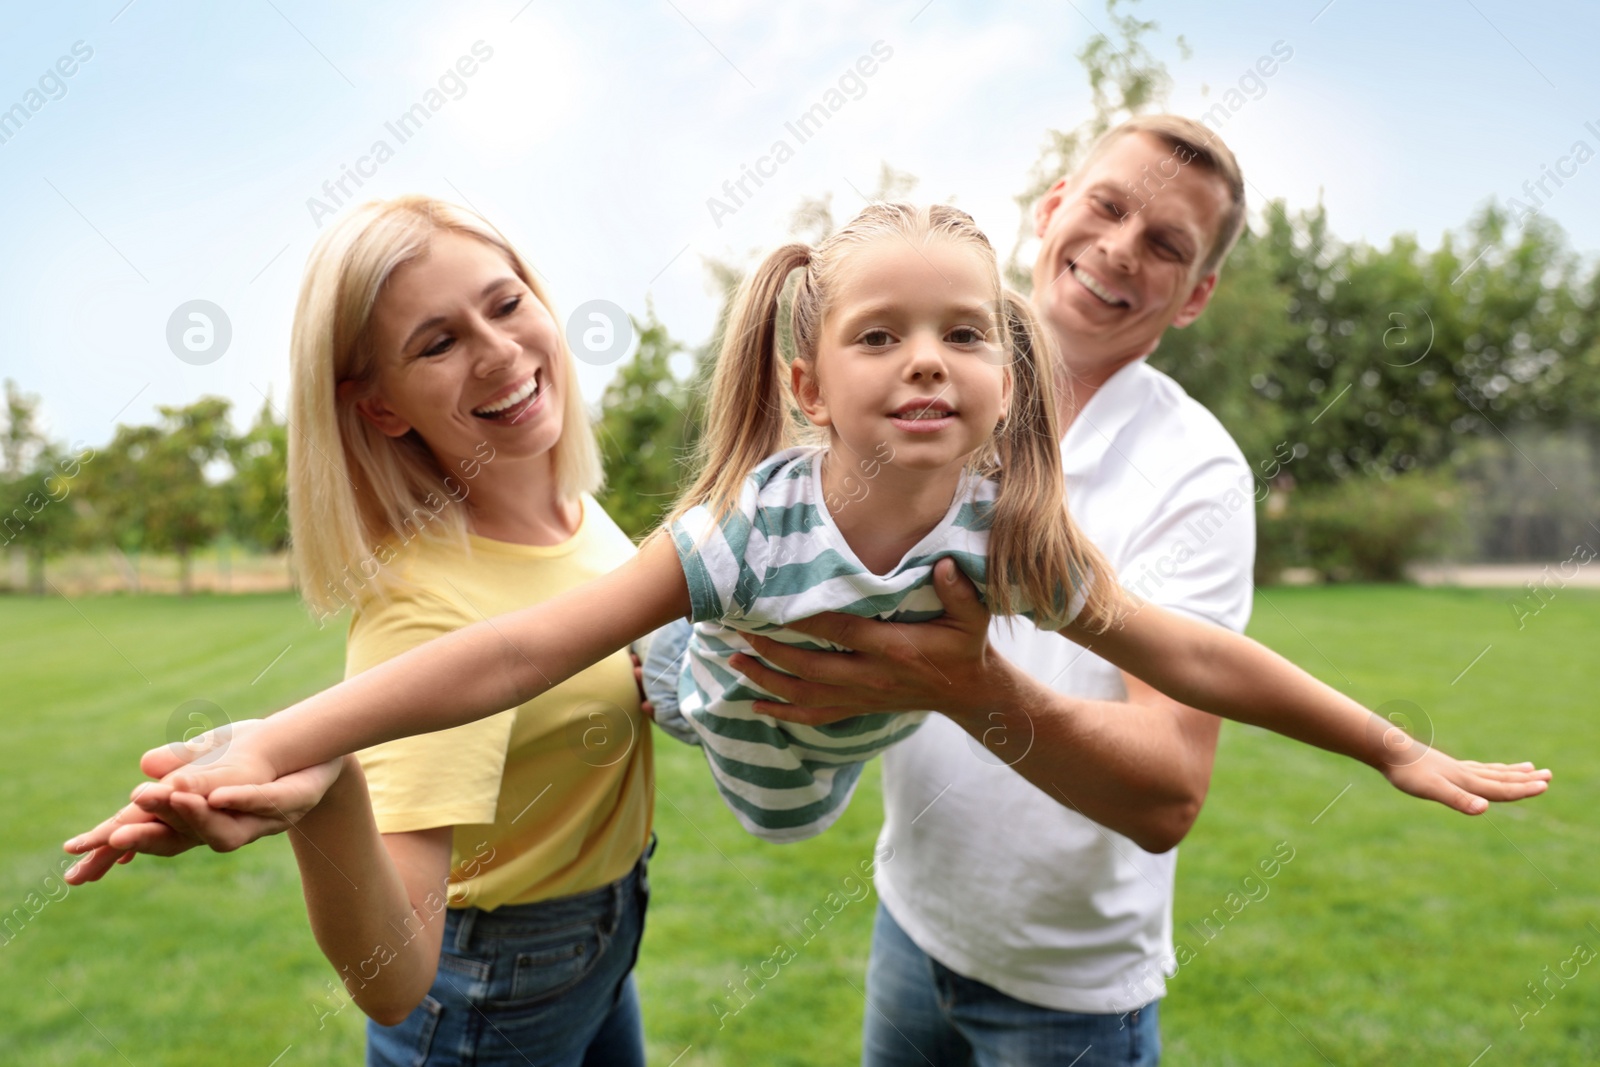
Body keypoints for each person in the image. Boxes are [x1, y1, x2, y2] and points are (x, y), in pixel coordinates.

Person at [70, 201, 1545, 894]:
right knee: (613, 634)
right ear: (805, 382)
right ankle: (616, 624)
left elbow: (1192, 650)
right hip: (711, 704)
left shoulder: (1012, 532)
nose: (927, 362)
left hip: (822, 777)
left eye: (966, 334)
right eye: (880, 334)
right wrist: (287, 731)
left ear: (1010, 374)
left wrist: (1388, 746)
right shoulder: (748, 524)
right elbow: (510, 651)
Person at [720, 115, 1515, 1066]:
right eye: (1106, 206)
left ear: (1196, 294)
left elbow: (1167, 792)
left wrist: (957, 684)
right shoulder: (918, 405)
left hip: (1068, 999)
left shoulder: (1197, 474)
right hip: (911, 920)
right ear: (1053, 207)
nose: (1119, 249)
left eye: (1167, 245)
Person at [64, 196, 658, 1066]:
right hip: (492, 995)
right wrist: (328, 787)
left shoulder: (575, 513)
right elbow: (393, 977)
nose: (500, 353)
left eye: (505, 304)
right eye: (438, 343)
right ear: (380, 408)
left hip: (604, 937)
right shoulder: (427, 609)